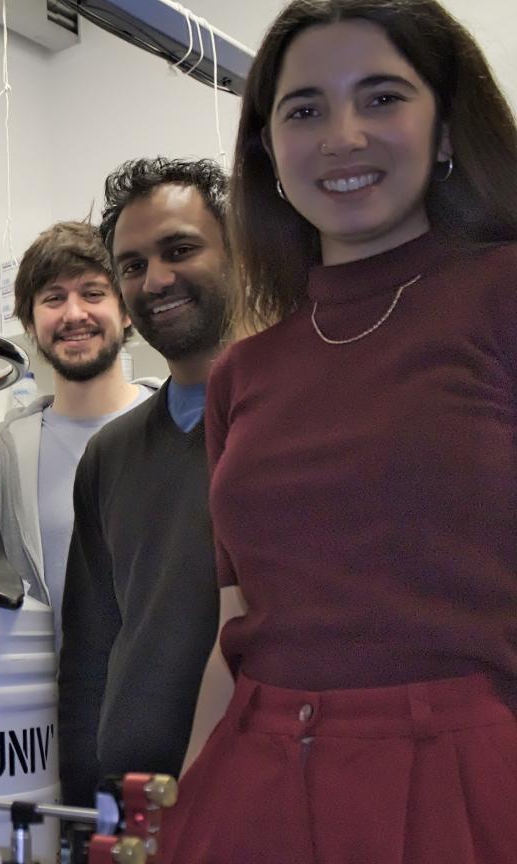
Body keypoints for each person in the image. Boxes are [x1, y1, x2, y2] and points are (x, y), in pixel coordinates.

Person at [168, 2, 517, 860]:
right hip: (251, 784)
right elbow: (237, 633)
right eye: (305, 109)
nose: (343, 135)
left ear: (444, 130)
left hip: (466, 781)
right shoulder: (241, 377)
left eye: (383, 97)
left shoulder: (503, 296)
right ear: (267, 149)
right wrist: (174, 821)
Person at [57, 157, 231, 807]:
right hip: (131, 804)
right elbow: (89, 656)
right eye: (132, 265)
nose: (156, 279)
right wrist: (81, 810)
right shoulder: (111, 454)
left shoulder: (288, 426)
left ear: (239, 255)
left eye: (180, 249)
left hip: (252, 790)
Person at [0, 221, 155, 650]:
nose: (74, 314)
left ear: (126, 309)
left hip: (166, 707)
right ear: (31, 324)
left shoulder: (178, 424)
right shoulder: (0, 451)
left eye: (93, 293)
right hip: (45, 706)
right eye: (54, 298)